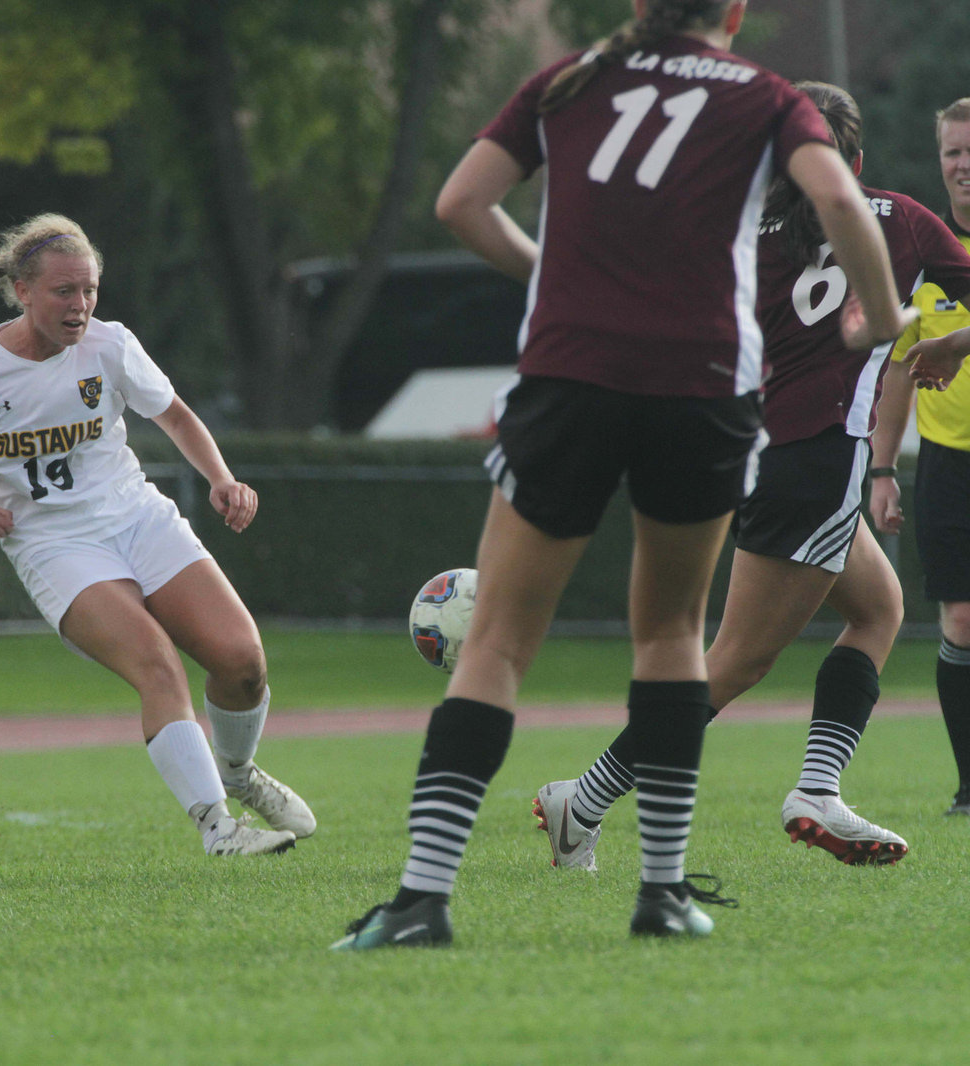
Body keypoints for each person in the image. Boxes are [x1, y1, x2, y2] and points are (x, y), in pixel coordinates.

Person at [332, 0, 915, 950]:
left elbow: (459, 204)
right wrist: (883, 318)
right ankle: (661, 895)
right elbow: (846, 205)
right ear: (734, 11)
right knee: (674, 636)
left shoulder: (569, 79)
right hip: (700, 387)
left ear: (638, 7)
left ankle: (422, 901)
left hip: (570, 374)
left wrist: (546, 276)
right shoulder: (768, 96)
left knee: (498, 645)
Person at [534, 82, 970, 876]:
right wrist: (955, 343)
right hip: (818, 458)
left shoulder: (741, 233)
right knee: (734, 660)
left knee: (879, 609)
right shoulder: (901, 220)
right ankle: (585, 798)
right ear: (858, 161)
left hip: (743, 454)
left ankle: (818, 786)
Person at [0, 214, 315, 857]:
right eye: (64, 291)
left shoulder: (110, 345)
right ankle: (218, 828)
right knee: (157, 664)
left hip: (138, 517)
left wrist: (221, 479)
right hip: (54, 546)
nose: (81, 305)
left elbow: (173, 413)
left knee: (243, 661)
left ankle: (238, 773)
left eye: (89, 289)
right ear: (23, 291)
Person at [871, 97, 970, 818]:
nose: (963, 167)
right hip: (948, 464)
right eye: (952, 155)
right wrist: (882, 472)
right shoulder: (921, 255)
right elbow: (897, 372)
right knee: (961, 621)